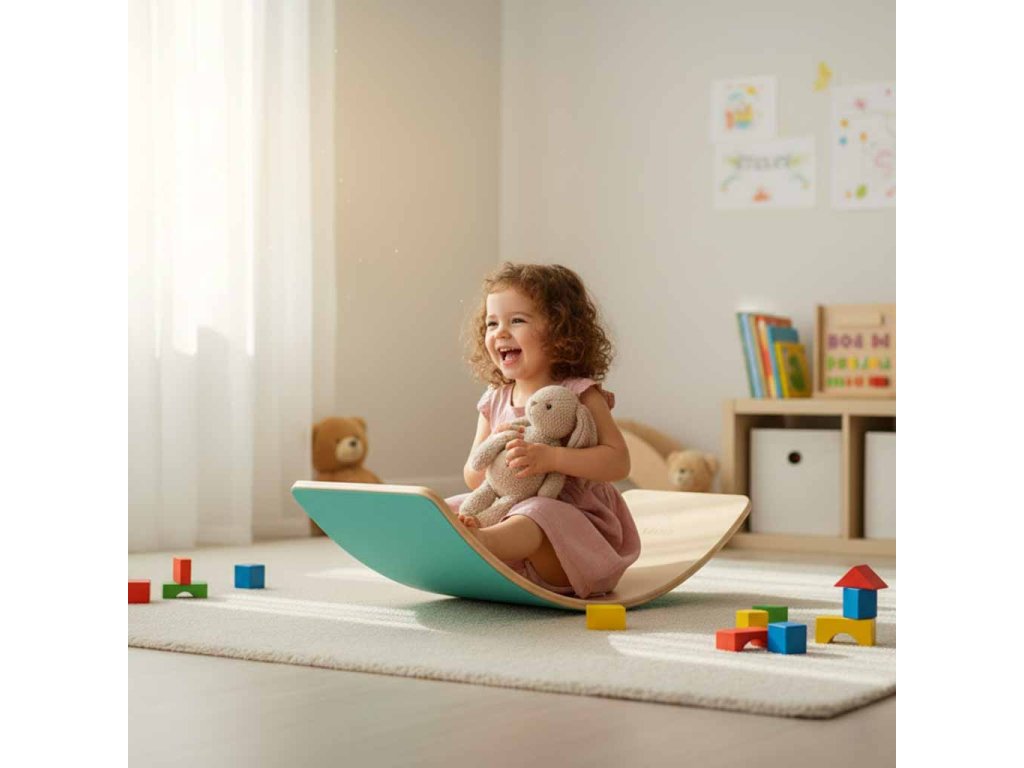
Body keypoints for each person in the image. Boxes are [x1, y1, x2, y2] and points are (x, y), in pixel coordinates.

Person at [446, 262, 641, 599]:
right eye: (492, 323)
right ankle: (454, 548)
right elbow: (474, 477)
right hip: (508, 516)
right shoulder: (495, 398)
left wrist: (551, 458)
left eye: (516, 321)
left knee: (537, 512)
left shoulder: (579, 393)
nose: (500, 332)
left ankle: (483, 544)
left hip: (575, 542)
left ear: (560, 331)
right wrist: (497, 452)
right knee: (452, 507)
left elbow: (618, 462)